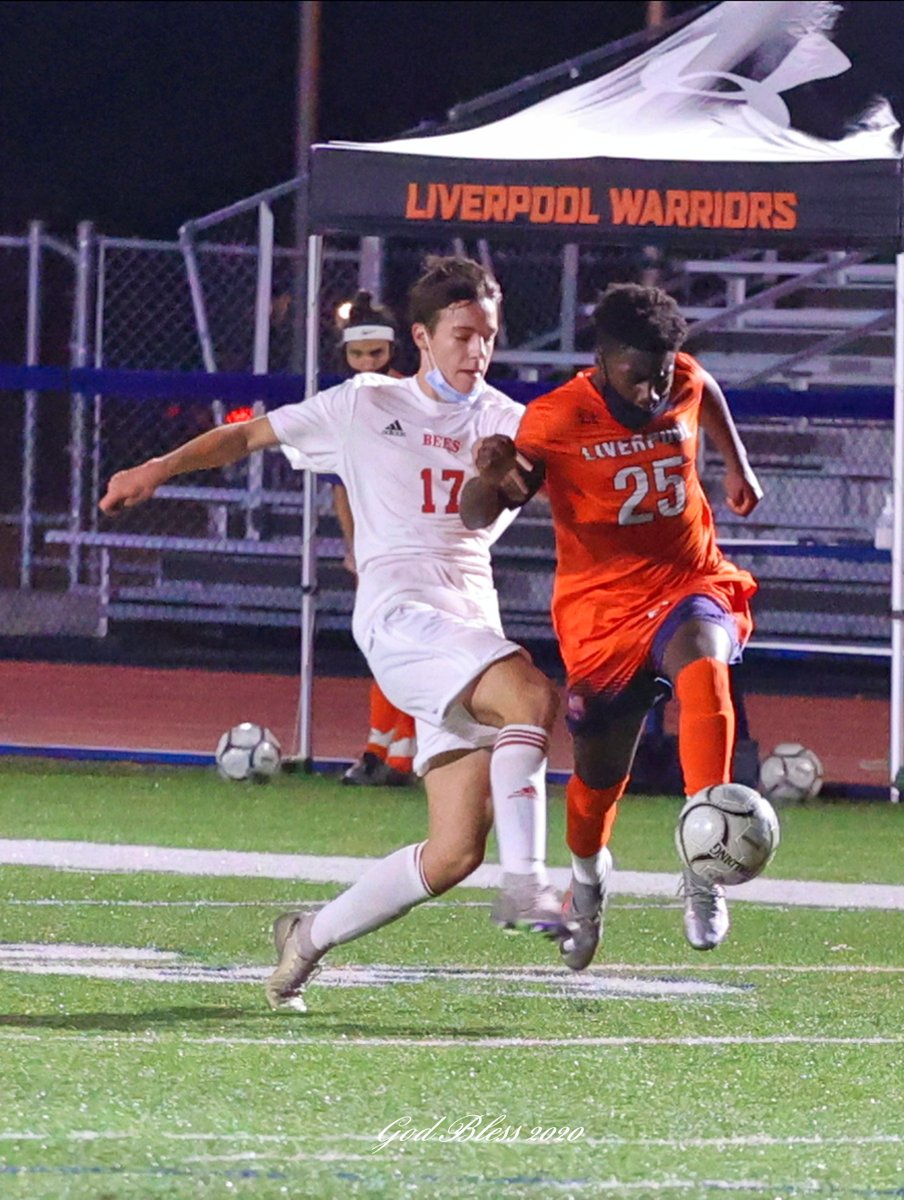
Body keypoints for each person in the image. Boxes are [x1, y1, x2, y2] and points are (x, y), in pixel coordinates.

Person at [99, 255, 569, 1013]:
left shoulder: (511, 421)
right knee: (531, 695)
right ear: (421, 335)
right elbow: (246, 436)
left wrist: (505, 475)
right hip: (399, 614)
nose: (477, 350)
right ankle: (529, 884)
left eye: (487, 335)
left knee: (452, 853)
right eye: (461, 334)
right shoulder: (364, 402)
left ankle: (307, 935)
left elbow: (486, 509)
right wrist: (157, 467)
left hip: (468, 622)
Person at [461, 283, 762, 969]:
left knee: (707, 671)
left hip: (688, 579)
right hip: (602, 612)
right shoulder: (557, 418)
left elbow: (703, 388)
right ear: (601, 360)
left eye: (662, 375)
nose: (655, 390)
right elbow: (479, 515)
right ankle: (589, 886)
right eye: (639, 376)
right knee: (597, 782)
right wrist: (490, 476)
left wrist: (736, 467)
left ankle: (704, 865)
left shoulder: (679, 373)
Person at [330, 290, 417, 787]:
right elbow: (341, 488)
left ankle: (399, 755)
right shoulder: (342, 406)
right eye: (358, 355)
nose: (366, 364)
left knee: (404, 646)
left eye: (375, 354)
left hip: (415, 541)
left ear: (392, 352)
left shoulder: (413, 397)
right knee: (381, 645)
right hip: (377, 548)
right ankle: (382, 749)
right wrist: (354, 546)